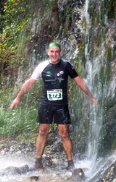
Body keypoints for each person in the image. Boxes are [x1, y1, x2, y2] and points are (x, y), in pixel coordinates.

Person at [9, 42, 99, 170]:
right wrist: (18, 97)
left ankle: (70, 164)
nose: (54, 54)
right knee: (42, 131)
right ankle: (38, 162)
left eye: (57, 51)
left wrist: (90, 95)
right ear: (48, 52)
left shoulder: (66, 66)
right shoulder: (42, 66)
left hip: (61, 105)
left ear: (61, 52)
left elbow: (79, 81)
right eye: (52, 51)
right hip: (46, 104)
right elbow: (30, 82)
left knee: (64, 134)